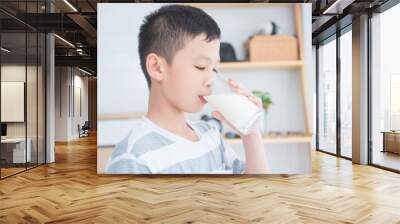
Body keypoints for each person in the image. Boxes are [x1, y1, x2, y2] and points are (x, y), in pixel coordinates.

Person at [105, 4, 268, 174]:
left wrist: (251, 134)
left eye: (214, 69)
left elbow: (254, 194)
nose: (210, 80)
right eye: (200, 66)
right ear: (157, 67)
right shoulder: (133, 160)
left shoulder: (210, 135)